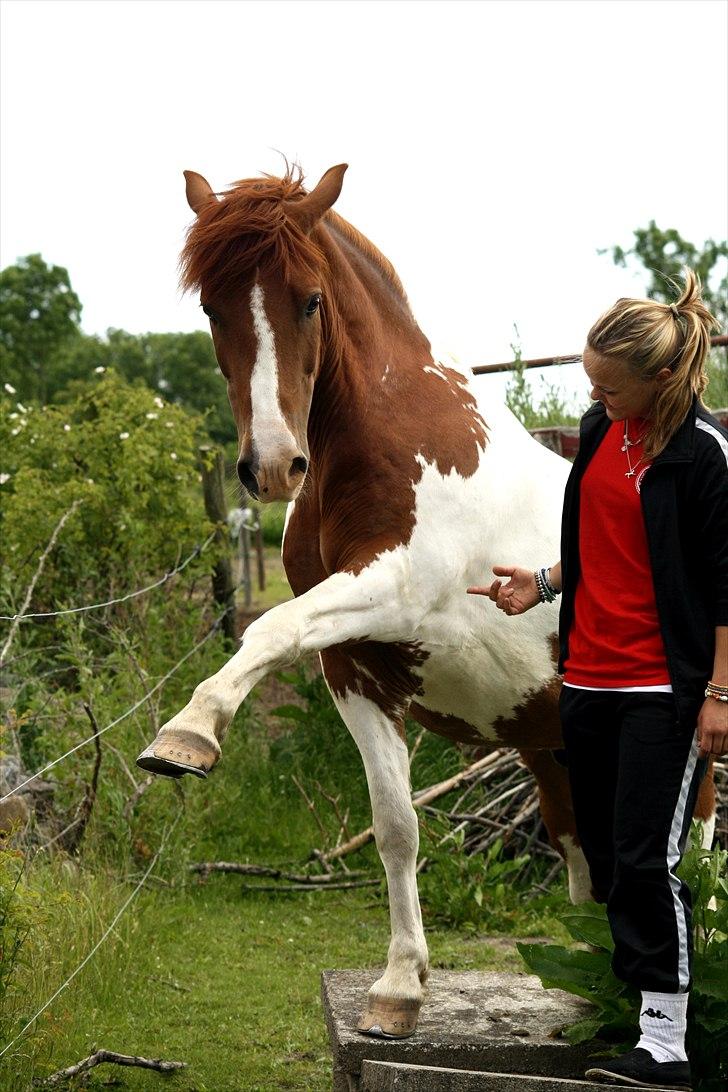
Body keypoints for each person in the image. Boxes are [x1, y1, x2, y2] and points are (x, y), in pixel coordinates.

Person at [468, 270, 728, 1092]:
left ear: (660, 377)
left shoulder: (702, 453)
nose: (594, 395)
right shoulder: (600, 428)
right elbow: (595, 543)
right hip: (588, 681)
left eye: (609, 384)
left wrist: (720, 698)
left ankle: (668, 1047)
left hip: (666, 690)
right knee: (612, 861)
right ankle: (639, 1018)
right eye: (590, 381)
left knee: (650, 861)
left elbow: (725, 586)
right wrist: (539, 587)